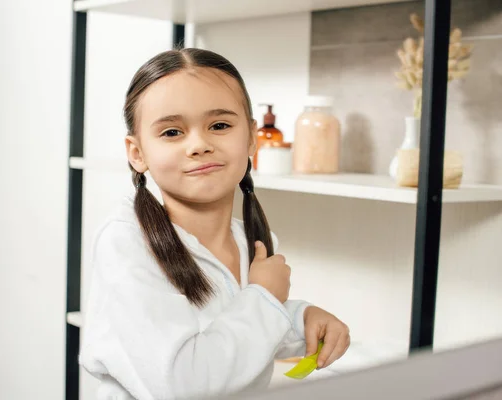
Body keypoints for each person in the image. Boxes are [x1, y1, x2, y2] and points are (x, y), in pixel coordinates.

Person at [79, 48, 350, 400]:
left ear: (252, 137)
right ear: (137, 153)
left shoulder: (250, 241)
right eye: (173, 132)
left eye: (219, 125)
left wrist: (301, 320)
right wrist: (266, 296)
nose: (200, 145)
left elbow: (234, 338)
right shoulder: (127, 244)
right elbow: (184, 384)